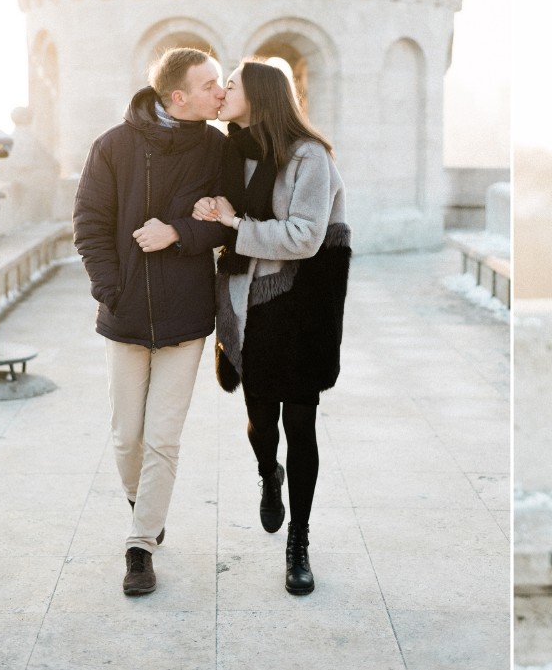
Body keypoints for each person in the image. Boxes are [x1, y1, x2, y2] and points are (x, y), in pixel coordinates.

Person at [73, 47, 229, 596]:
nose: (221, 91)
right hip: (125, 316)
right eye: (211, 84)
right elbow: (89, 223)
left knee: (163, 437)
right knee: (126, 439)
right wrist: (109, 289)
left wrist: (180, 232)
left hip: (186, 318)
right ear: (178, 96)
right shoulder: (113, 146)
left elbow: (231, 223)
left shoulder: (216, 148)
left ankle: (140, 547)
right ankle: (148, 508)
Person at [192, 59, 350, 596]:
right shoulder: (230, 151)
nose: (223, 92)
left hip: (300, 305)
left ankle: (299, 542)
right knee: (262, 423)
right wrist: (211, 207)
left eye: (230, 85)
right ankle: (268, 475)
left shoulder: (310, 156)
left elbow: (306, 236)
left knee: (300, 424)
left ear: (258, 95)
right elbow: (212, 212)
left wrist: (235, 224)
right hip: (250, 305)